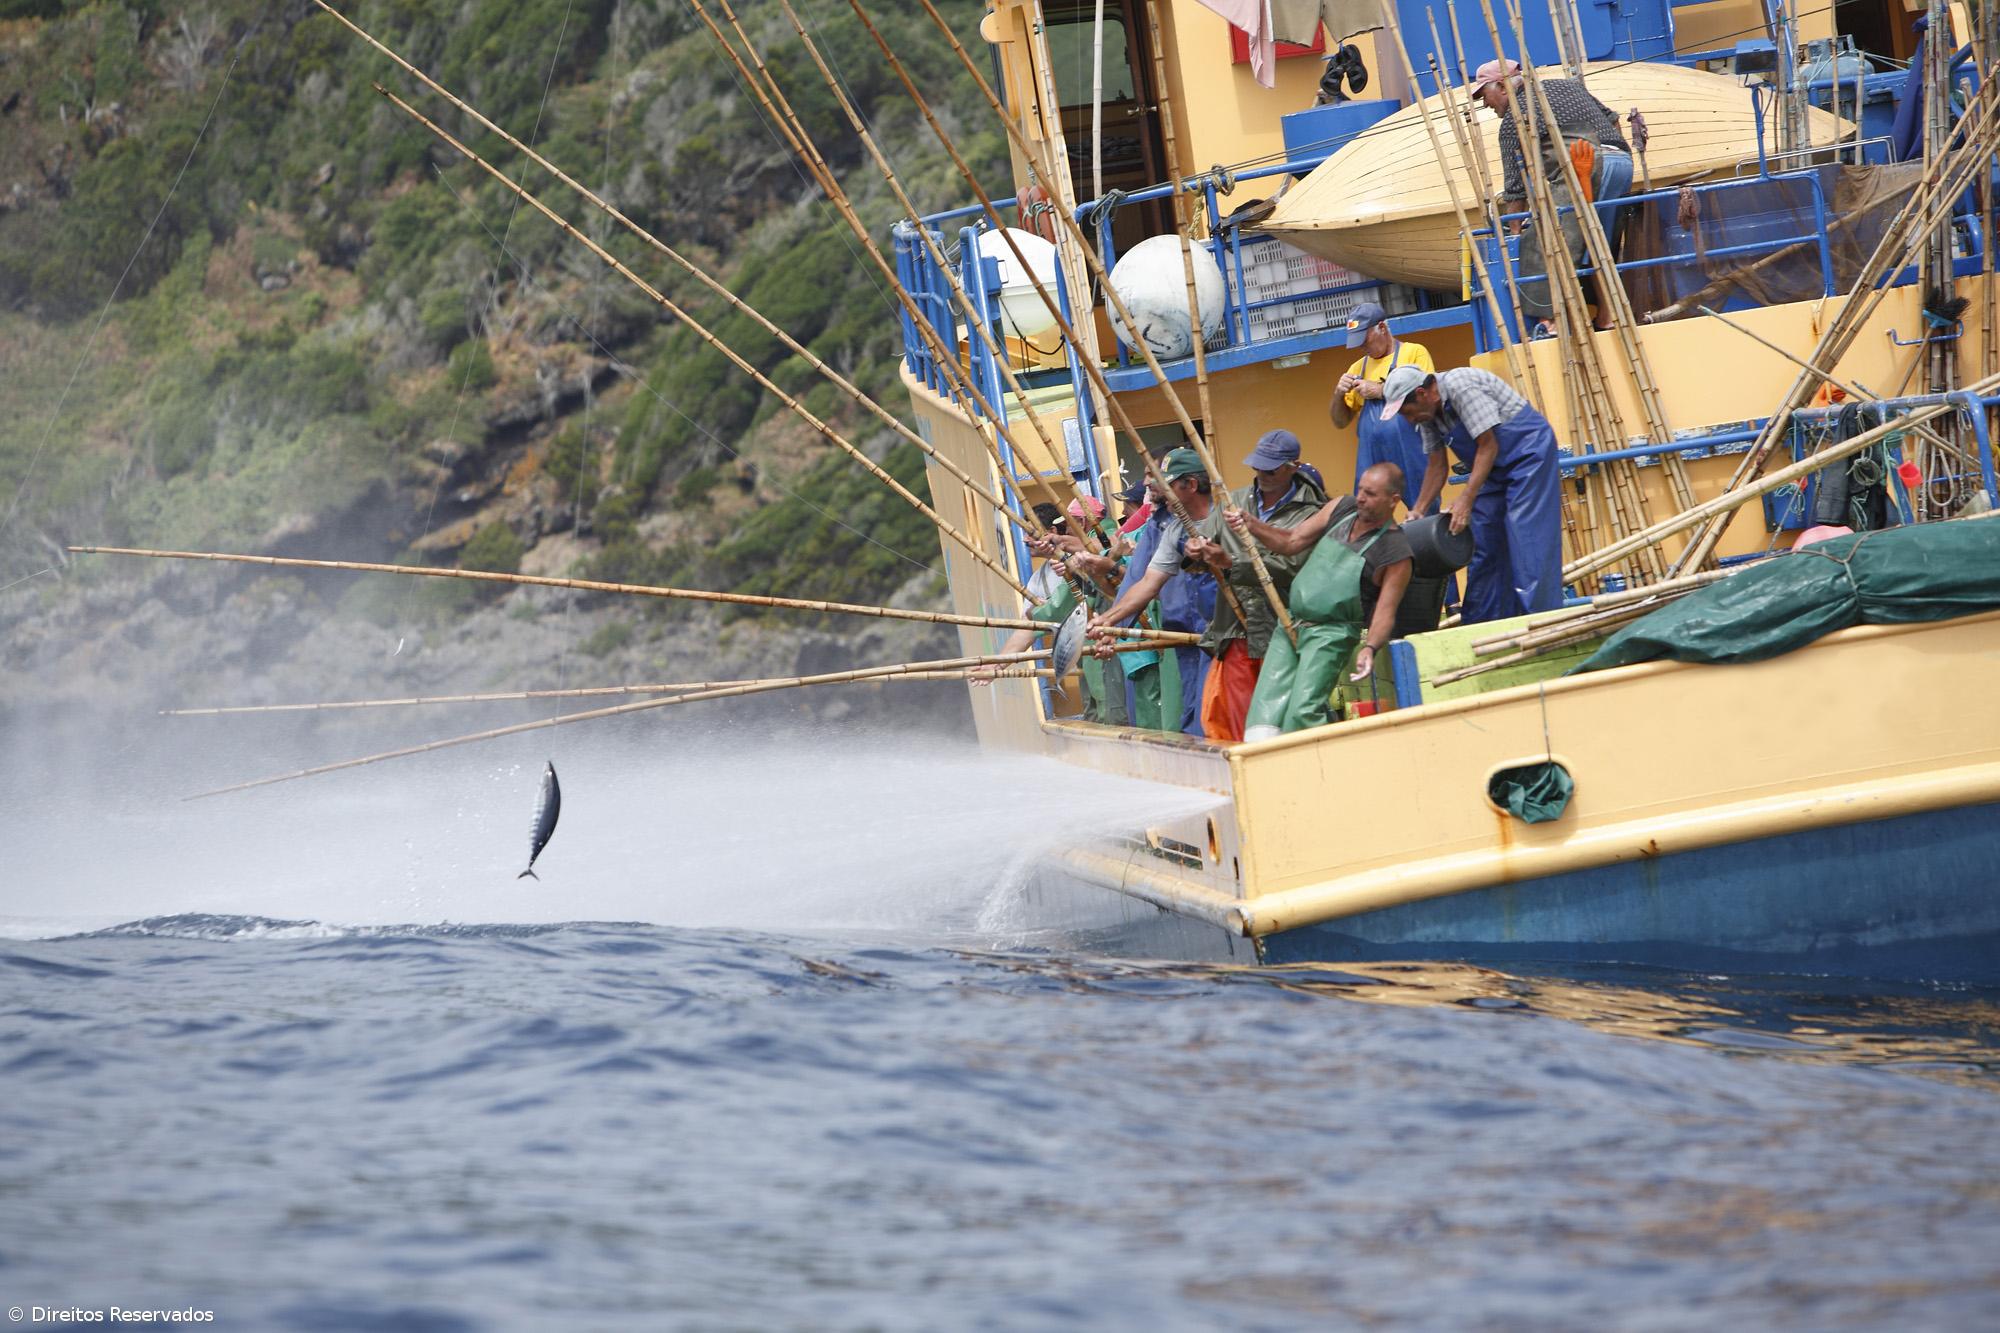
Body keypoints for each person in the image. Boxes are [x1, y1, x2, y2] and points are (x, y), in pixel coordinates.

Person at [1090, 436, 1323, 741]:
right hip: (1220, 639)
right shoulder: (1175, 528)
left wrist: (1226, 561)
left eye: (1167, 484)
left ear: (1190, 485)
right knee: (1215, 722)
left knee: (1287, 716)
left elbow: (1281, 568)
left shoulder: (1238, 513)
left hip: (1275, 629)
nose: (1156, 492)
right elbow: (1148, 582)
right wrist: (1109, 622)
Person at [1229, 462, 1414, 738]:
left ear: (1393, 500)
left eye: (1371, 494)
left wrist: (1370, 648)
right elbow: (1291, 542)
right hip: (1291, 622)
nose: (1361, 497)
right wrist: (1252, 524)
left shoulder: (1396, 551)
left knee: (1302, 713)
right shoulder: (1343, 507)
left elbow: (1386, 611)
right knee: (1262, 715)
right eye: (1360, 489)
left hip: (1331, 634)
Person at [1384, 364, 1564, 623]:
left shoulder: (1461, 386)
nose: (1408, 419)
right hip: (1492, 469)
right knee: (1483, 542)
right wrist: (1418, 511)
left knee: (1525, 535)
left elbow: (1488, 445)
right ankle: (1482, 625)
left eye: (1407, 412)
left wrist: (1466, 499)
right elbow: (1437, 466)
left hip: (1528, 456)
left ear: (1422, 393)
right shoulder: (1427, 415)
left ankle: (1544, 622)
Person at [1471, 58, 1634, 332]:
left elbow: (1515, 189)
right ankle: (1607, 317)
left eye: (1484, 95)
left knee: (1544, 240)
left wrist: (1514, 235)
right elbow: (1613, 120)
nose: (1485, 104)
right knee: (1600, 246)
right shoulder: (1567, 86)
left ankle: (1553, 320)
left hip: (1585, 167)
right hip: (1621, 164)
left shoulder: (1515, 118)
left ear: (1501, 86)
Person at [1329, 301, 1436, 515]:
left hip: (1411, 450)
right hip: (1372, 456)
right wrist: (1338, 394)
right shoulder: (1357, 368)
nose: (1362, 347)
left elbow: (1428, 400)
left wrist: (1380, 390)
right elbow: (1340, 422)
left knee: (1424, 510)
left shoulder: (1414, 353)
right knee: (1366, 509)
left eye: (1365, 339)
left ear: (1382, 328)